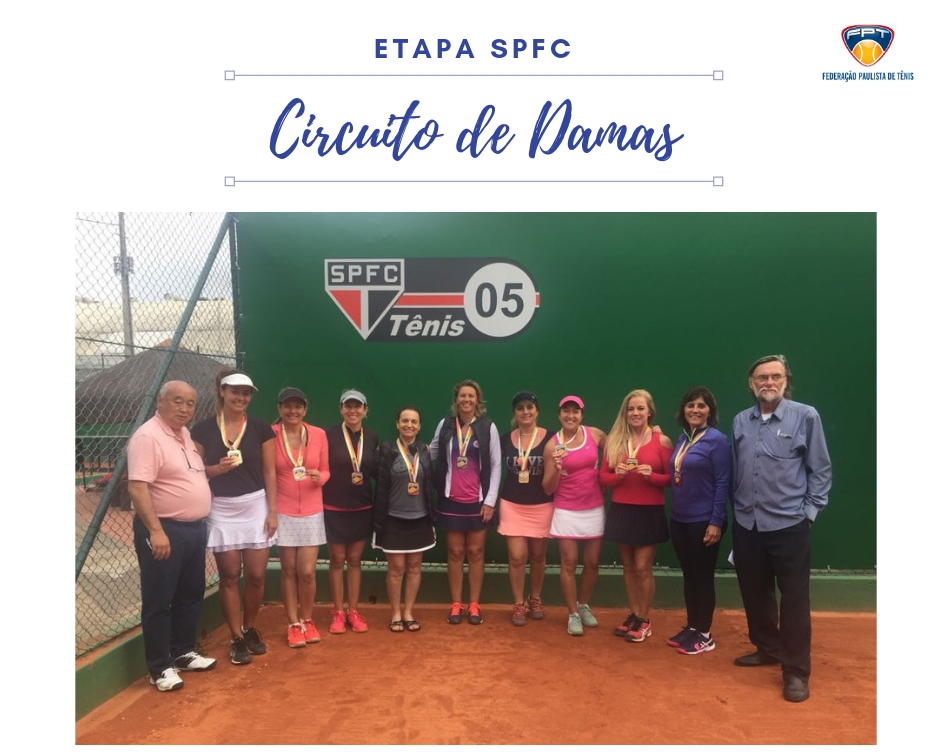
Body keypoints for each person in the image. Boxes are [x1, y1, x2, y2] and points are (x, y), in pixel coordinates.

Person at [731, 354, 832, 703]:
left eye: (775, 376)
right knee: (754, 593)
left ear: (786, 381)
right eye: (762, 377)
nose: (769, 382)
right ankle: (768, 649)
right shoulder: (740, 421)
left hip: (789, 524)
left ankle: (796, 672)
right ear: (752, 384)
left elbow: (820, 469)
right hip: (747, 523)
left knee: (794, 601)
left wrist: (809, 512)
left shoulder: (806, 416)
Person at [127, 380, 216, 692]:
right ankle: (159, 667)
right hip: (164, 530)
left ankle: (182, 652)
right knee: (159, 599)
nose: (184, 408)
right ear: (160, 401)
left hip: (194, 529)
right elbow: (138, 487)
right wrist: (156, 531)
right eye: (178, 401)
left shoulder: (184, 435)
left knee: (190, 592)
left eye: (190, 403)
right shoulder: (148, 437)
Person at [191, 369, 277, 665]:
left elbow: (269, 472)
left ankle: (250, 628)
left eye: (246, 393)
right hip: (221, 508)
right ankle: (236, 637)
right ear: (222, 392)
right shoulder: (202, 429)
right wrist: (217, 469)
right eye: (235, 391)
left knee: (256, 576)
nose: (241, 397)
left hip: (256, 506)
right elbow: (195, 471)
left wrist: (273, 511)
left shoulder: (262, 429)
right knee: (229, 576)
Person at [601, 389, 673, 643]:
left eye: (640, 408)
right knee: (629, 566)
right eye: (631, 409)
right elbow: (603, 477)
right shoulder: (615, 440)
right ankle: (633, 614)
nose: (635, 413)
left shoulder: (662, 441)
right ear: (625, 412)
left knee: (643, 567)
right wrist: (617, 476)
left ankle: (644, 619)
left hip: (649, 511)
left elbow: (672, 479)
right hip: (622, 508)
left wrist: (652, 476)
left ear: (649, 412)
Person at [430, 379, 502, 626]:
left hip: (477, 502)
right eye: (462, 395)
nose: (466, 400)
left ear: (477, 400)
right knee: (455, 552)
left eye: (471, 396)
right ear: (456, 399)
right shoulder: (445, 424)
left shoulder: (488, 426)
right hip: (450, 501)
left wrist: (490, 502)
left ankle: (474, 604)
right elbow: (433, 451)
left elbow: (496, 465)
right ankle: (456, 603)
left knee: (475, 552)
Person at [666, 386, 731, 655]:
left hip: (704, 521)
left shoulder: (717, 440)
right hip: (679, 519)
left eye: (701, 406)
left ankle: (704, 634)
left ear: (710, 411)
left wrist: (716, 521)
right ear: (683, 410)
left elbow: (723, 481)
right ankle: (692, 626)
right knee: (689, 575)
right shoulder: (683, 440)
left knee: (702, 577)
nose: (695, 410)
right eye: (690, 405)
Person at [542, 395, 608, 636]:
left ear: (581, 414)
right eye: (566, 411)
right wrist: (556, 470)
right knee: (569, 563)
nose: (571, 416)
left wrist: (652, 432)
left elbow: (620, 447)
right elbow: (547, 488)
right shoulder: (552, 445)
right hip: (566, 509)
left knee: (592, 562)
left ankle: (583, 604)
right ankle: (572, 614)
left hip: (594, 508)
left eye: (575, 411)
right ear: (559, 414)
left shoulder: (595, 435)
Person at [271, 387, 330, 648]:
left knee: (306, 572)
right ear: (280, 409)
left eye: (298, 406)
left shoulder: (318, 434)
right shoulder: (271, 435)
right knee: (289, 570)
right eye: (287, 406)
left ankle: (308, 619)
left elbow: (326, 470)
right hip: (283, 511)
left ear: (305, 410)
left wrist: (320, 477)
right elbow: (268, 472)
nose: (292, 411)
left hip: (312, 511)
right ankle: (293, 624)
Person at [373, 406, 436, 632]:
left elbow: (430, 481)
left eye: (414, 422)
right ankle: (395, 613)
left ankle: (408, 612)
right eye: (405, 421)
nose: (409, 425)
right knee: (396, 568)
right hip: (392, 519)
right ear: (397, 424)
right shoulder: (386, 450)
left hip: (420, 518)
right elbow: (376, 477)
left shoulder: (425, 451)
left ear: (419, 427)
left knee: (415, 567)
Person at [322, 389, 378, 634]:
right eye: (348, 406)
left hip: (362, 507)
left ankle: (353, 611)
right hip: (334, 507)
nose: (353, 411)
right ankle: (338, 612)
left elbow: (377, 471)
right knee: (336, 560)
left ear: (365, 410)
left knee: (354, 560)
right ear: (341, 409)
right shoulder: (328, 435)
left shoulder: (372, 437)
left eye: (358, 406)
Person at [497, 391, 554, 626]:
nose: (525, 412)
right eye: (520, 408)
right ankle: (519, 603)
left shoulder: (551, 438)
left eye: (530, 407)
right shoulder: (504, 439)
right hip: (512, 505)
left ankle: (535, 598)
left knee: (538, 556)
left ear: (537, 411)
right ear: (515, 412)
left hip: (542, 505)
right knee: (517, 557)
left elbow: (584, 435)